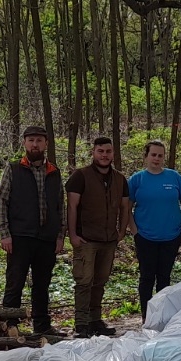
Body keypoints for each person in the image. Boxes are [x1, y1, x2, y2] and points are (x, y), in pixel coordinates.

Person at [0, 125, 65, 336]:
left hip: (47, 238)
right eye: (31, 140)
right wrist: (4, 233)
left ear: (46, 144)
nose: (35, 144)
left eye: (39, 140)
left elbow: (60, 205)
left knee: (42, 284)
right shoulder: (14, 169)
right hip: (19, 237)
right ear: (24, 143)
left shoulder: (54, 171)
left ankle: (42, 325)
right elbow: (0, 202)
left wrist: (61, 235)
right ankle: (10, 325)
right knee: (15, 282)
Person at [66, 136, 131, 337]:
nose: (104, 155)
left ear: (113, 153)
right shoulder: (81, 176)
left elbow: (125, 206)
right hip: (86, 239)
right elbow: (72, 206)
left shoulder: (120, 179)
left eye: (108, 152)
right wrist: (73, 234)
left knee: (100, 281)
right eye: (100, 151)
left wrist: (121, 231)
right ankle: (81, 323)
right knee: (84, 281)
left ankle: (95, 320)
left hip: (109, 240)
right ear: (93, 152)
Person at [129, 140, 181, 319]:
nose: (156, 159)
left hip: (171, 236)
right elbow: (126, 207)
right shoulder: (137, 179)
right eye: (153, 155)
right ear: (146, 156)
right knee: (147, 278)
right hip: (145, 237)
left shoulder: (174, 177)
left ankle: (162, 316)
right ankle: (147, 317)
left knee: (164, 278)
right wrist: (134, 231)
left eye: (160, 155)